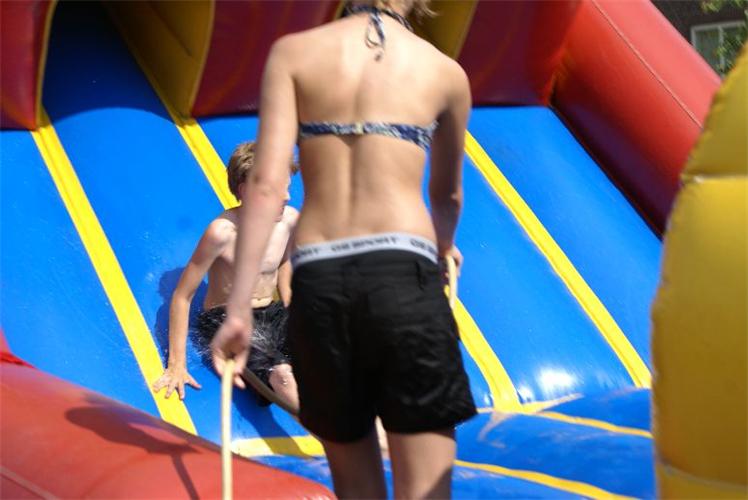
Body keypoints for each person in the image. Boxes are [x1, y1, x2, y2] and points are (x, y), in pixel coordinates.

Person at [211, 0, 476, 497]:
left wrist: (240, 308)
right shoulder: (445, 73)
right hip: (402, 272)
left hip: (321, 279)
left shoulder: (293, 53)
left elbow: (266, 186)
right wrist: (443, 246)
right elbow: (448, 196)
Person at [152, 141, 299, 411]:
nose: (287, 197)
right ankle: (334, 433)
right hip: (227, 318)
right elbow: (183, 296)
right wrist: (176, 364)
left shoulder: (288, 221)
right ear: (246, 191)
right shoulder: (223, 233)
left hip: (272, 312)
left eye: (288, 187)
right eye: (278, 190)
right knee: (282, 374)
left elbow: (284, 263)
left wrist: (292, 306)